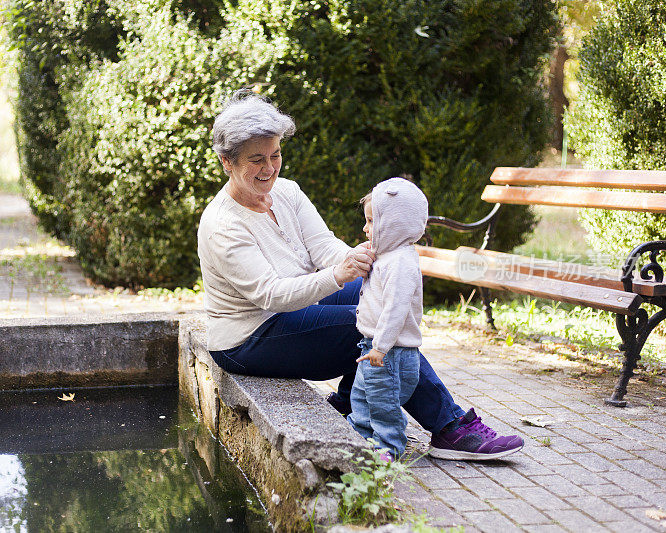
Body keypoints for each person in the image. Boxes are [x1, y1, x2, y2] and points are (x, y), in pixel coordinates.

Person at [197, 89, 524, 460]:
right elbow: (271, 295)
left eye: (276, 155)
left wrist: (366, 264)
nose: (270, 168)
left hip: (293, 310)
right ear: (226, 162)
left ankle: (355, 401)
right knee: (368, 322)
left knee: (375, 294)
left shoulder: (286, 191)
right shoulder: (223, 224)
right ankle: (449, 427)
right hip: (248, 338)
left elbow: (324, 246)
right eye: (257, 160)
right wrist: (339, 274)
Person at [346, 178, 428, 460]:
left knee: (383, 404)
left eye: (371, 221)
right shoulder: (386, 256)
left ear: (394, 225)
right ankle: (358, 438)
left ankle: (389, 448)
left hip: (390, 353)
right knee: (361, 399)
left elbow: (396, 309)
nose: (365, 228)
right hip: (371, 348)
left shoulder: (401, 262)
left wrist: (380, 346)